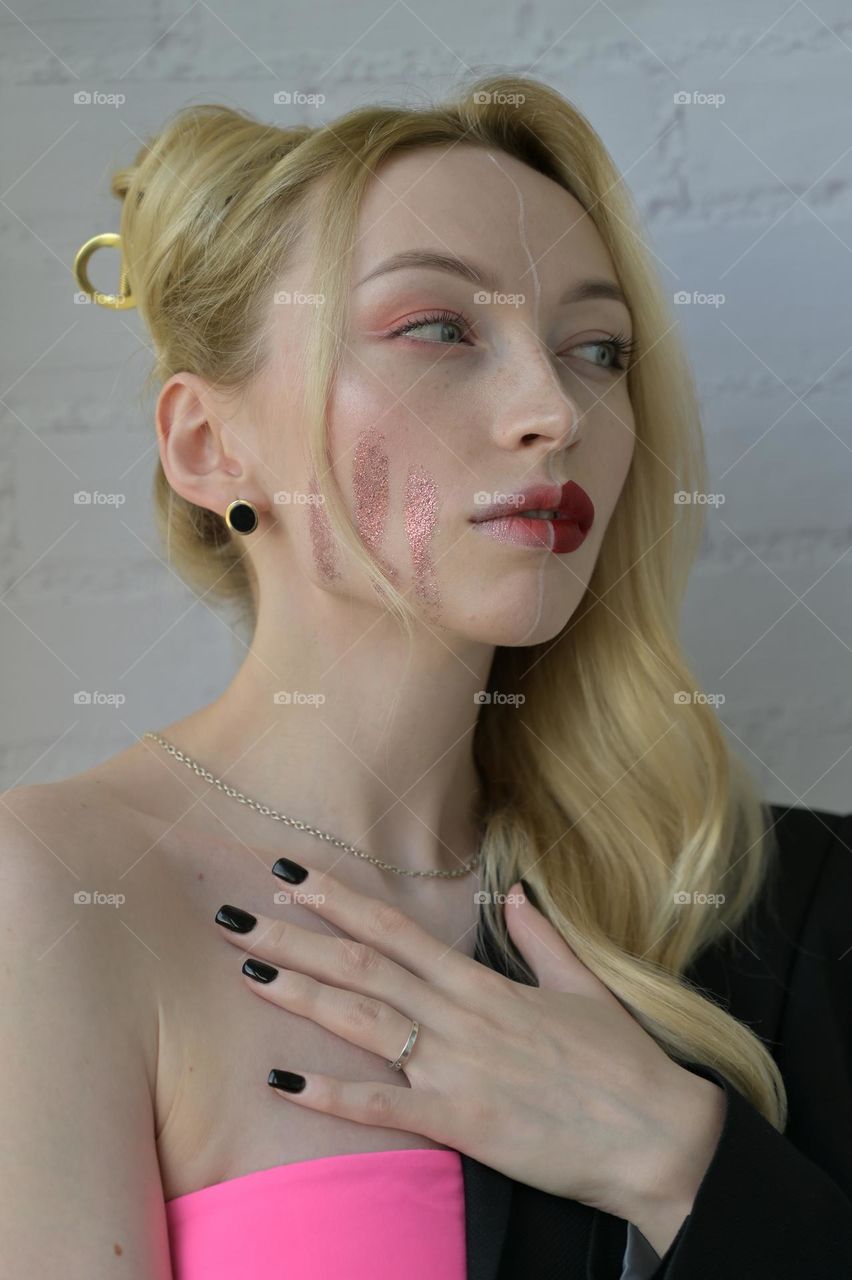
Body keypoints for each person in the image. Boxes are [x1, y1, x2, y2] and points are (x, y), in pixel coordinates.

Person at [2, 72, 850, 1279]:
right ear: (208, 445)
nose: (555, 409)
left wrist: (673, 1156)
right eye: (440, 329)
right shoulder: (61, 888)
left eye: (597, 349)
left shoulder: (795, 908)